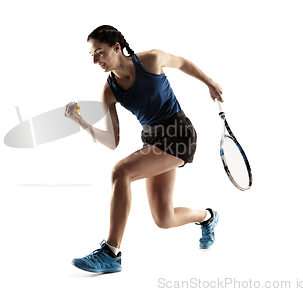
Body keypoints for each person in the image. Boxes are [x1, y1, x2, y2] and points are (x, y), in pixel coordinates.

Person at [64, 25, 224, 273]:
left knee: (121, 172)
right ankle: (209, 217)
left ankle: (111, 253)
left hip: (179, 134)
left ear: (116, 48)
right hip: (153, 142)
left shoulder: (150, 59)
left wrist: (209, 82)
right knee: (164, 219)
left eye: (99, 52)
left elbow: (182, 63)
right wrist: (81, 122)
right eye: (91, 55)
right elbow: (112, 141)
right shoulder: (109, 91)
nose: (95, 60)